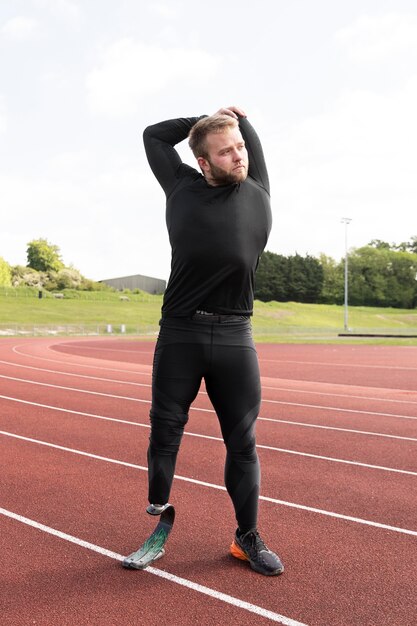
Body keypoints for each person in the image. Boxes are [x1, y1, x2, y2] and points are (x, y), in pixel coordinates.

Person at [141, 105, 284, 576]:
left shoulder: (258, 189)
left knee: (242, 443)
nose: (238, 156)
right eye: (226, 152)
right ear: (203, 161)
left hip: (234, 335)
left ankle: (247, 536)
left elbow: (251, 142)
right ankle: (159, 512)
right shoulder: (180, 185)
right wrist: (201, 118)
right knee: (166, 430)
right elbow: (153, 136)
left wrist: (236, 124)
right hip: (180, 330)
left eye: (239, 147)